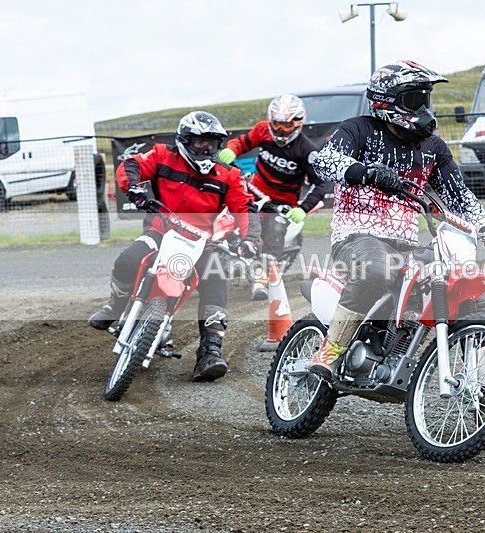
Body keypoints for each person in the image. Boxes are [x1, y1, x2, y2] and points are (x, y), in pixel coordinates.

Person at [309, 60, 485, 419]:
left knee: (476, 295)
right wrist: (365, 171)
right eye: (414, 99)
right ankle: (331, 350)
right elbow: (323, 162)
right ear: (386, 101)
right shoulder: (358, 129)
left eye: (425, 99)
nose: (423, 108)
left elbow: (460, 196)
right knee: (376, 270)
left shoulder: (433, 147)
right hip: (356, 236)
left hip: (407, 244)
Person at [88, 111, 260, 382]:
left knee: (215, 281)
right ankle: (115, 306)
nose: (206, 150)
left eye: (212, 144)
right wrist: (134, 189)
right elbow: (131, 165)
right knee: (127, 260)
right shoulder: (161, 155)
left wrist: (250, 240)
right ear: (185, 140)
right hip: (161, 230)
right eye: (200, 143)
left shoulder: (229, 175)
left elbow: (245, 208)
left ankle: (209, 353)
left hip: (202, 242)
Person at [219, 94, 325, 299]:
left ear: (298, 122)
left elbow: (320, 183)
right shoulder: (262, 130)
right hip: (252, 189)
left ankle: (261, 280)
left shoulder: (307, 151)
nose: (281, 130)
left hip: (281, 203)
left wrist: (302, 209)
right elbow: (242, 142)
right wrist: (231, 150)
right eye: (277, 124)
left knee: (274, 228)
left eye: (287, 125)